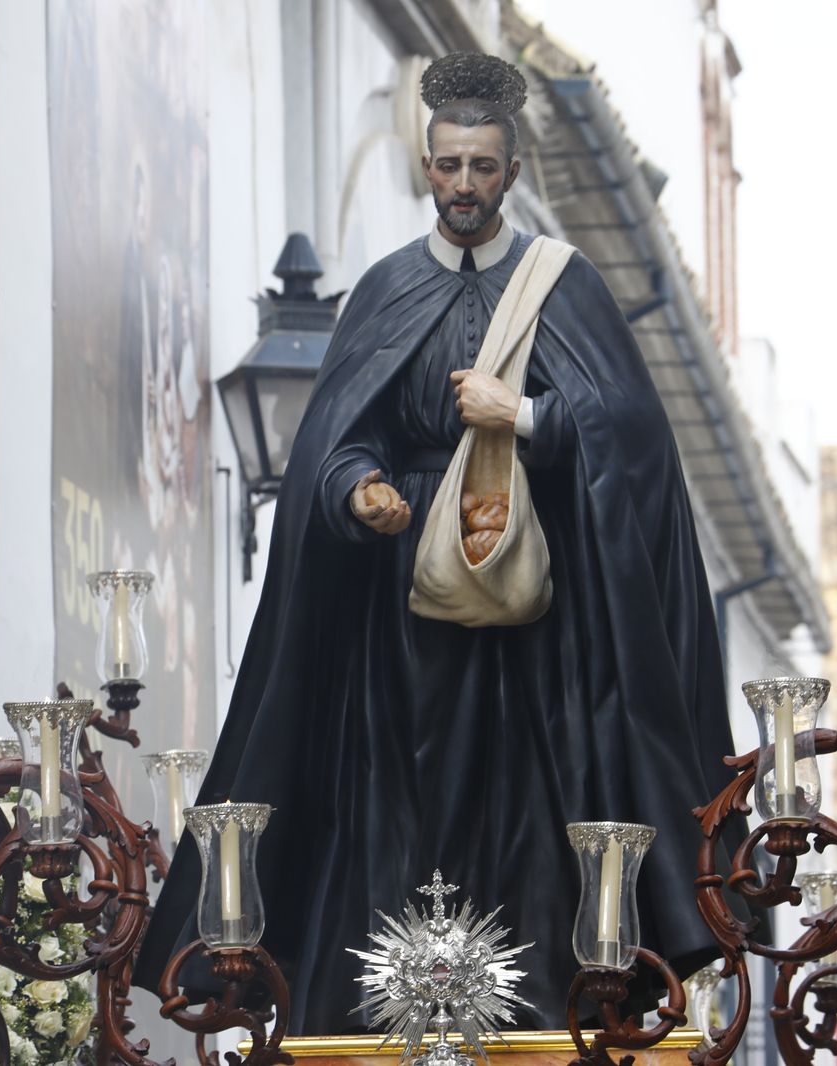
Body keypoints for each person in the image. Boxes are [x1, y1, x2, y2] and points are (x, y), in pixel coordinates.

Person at [134, 52, 753, 1034]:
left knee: (535, 821)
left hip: (537, 628)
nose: (463, 185)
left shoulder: (563, 285)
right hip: (400, 619)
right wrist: (356, 489)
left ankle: (546, 1016)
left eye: (482, 167)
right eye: (448, 165)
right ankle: (379, 1021)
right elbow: (332, 442)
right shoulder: (383, 291)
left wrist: (529, 417)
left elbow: (635, 440)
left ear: (511, 174)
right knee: (392, 811)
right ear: (428, 167)